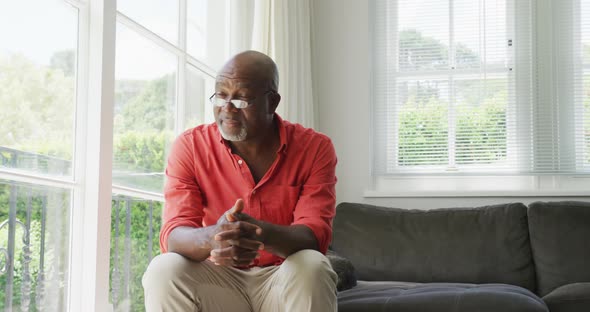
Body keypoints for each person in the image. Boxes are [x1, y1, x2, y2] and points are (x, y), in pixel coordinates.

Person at [142, 50, 338, 312]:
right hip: (218, 280)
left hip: (282, 279)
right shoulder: (190, 147)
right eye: (221, 94)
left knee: (313, 265)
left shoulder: (315, 148)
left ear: (272, 102)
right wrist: (214, 237)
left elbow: (315, 237)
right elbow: (174, 234)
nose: (228, 107)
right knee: (163, 269)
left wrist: (256, 234)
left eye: (242, 98)